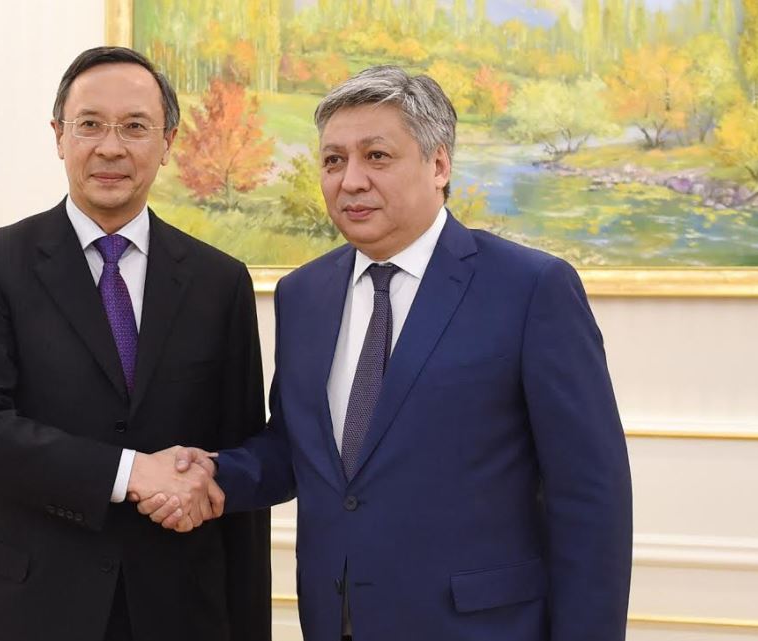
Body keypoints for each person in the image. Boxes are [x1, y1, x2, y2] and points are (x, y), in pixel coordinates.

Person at [140, 66, 633, 641]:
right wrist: (213, 474)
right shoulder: (303, 294)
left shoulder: (531, 288)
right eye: (333, 160)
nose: (350, 181)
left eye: (376, 156)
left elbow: (591, 497)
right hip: (337, 621)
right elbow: (298, 448)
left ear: (439, 165)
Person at [0, 46, 270, 641]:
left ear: (167, 142)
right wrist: (130, 472)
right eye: (90, 124)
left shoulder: (220, 282)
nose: (110, 147)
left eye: (135, 127)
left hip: (180, 611)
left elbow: (239, 464)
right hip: (26, 609)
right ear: (59, 137)